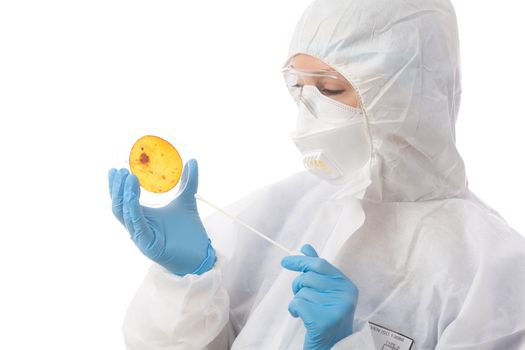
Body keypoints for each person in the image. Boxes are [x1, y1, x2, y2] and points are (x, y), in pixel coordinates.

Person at [107, 0, 525, 349]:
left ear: (409, 90)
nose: (310, 110)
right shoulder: (288, 208)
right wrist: (189, 283)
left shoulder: (493, 271)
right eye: (299, 88)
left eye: (328, 89)